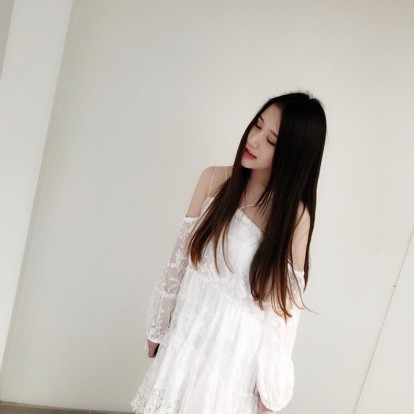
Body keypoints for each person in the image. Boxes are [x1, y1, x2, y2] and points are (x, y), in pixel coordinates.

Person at [131, 92, 327, 413]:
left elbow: (284, 314)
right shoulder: (213, 180)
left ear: (292, 155)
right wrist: (158, 325)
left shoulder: (294, 219)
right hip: (185, 343)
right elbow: (177, 262)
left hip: (231, 368)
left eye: (271, 140)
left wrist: (269, 393)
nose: (254, 139)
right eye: (257, 125)